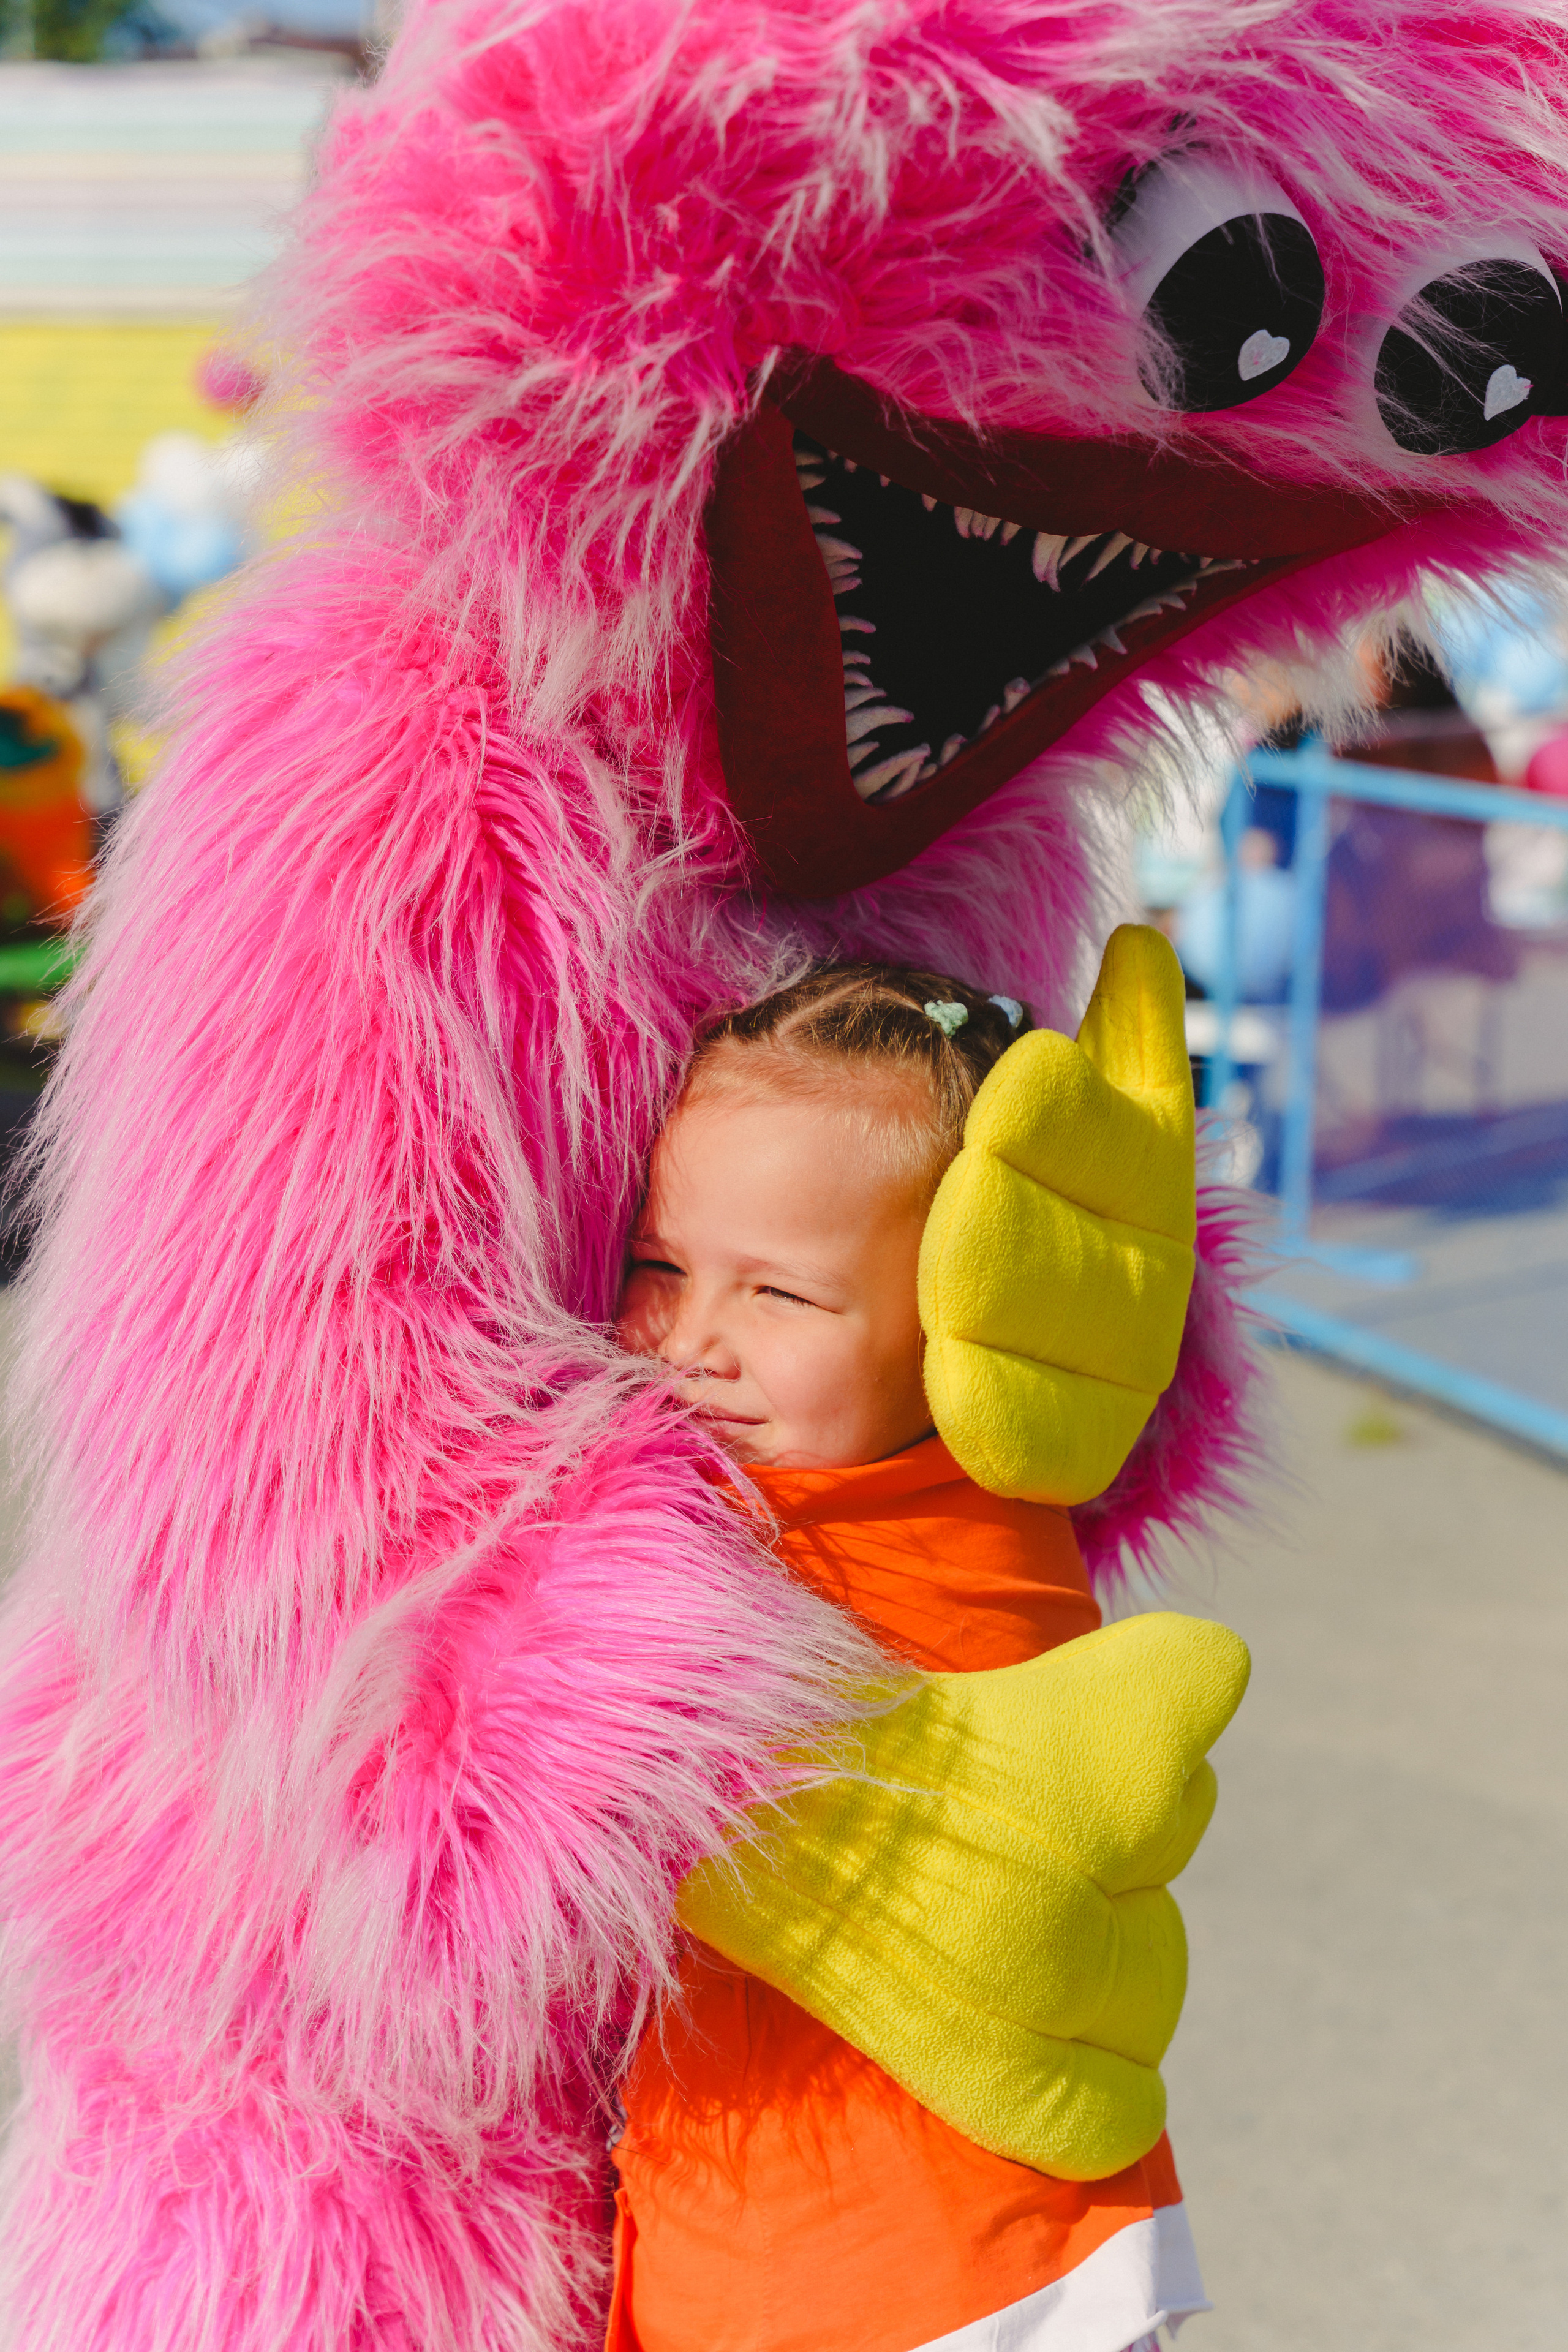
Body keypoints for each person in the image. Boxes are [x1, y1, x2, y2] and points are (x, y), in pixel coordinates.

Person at [609, 962, 1210, 2352]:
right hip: (881, 2257)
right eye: (659, 1266)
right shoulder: (882, 1486)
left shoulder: (913, 1550)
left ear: (959, 1318)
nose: (692, 1342)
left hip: (922, 2281)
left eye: (783, 1294)